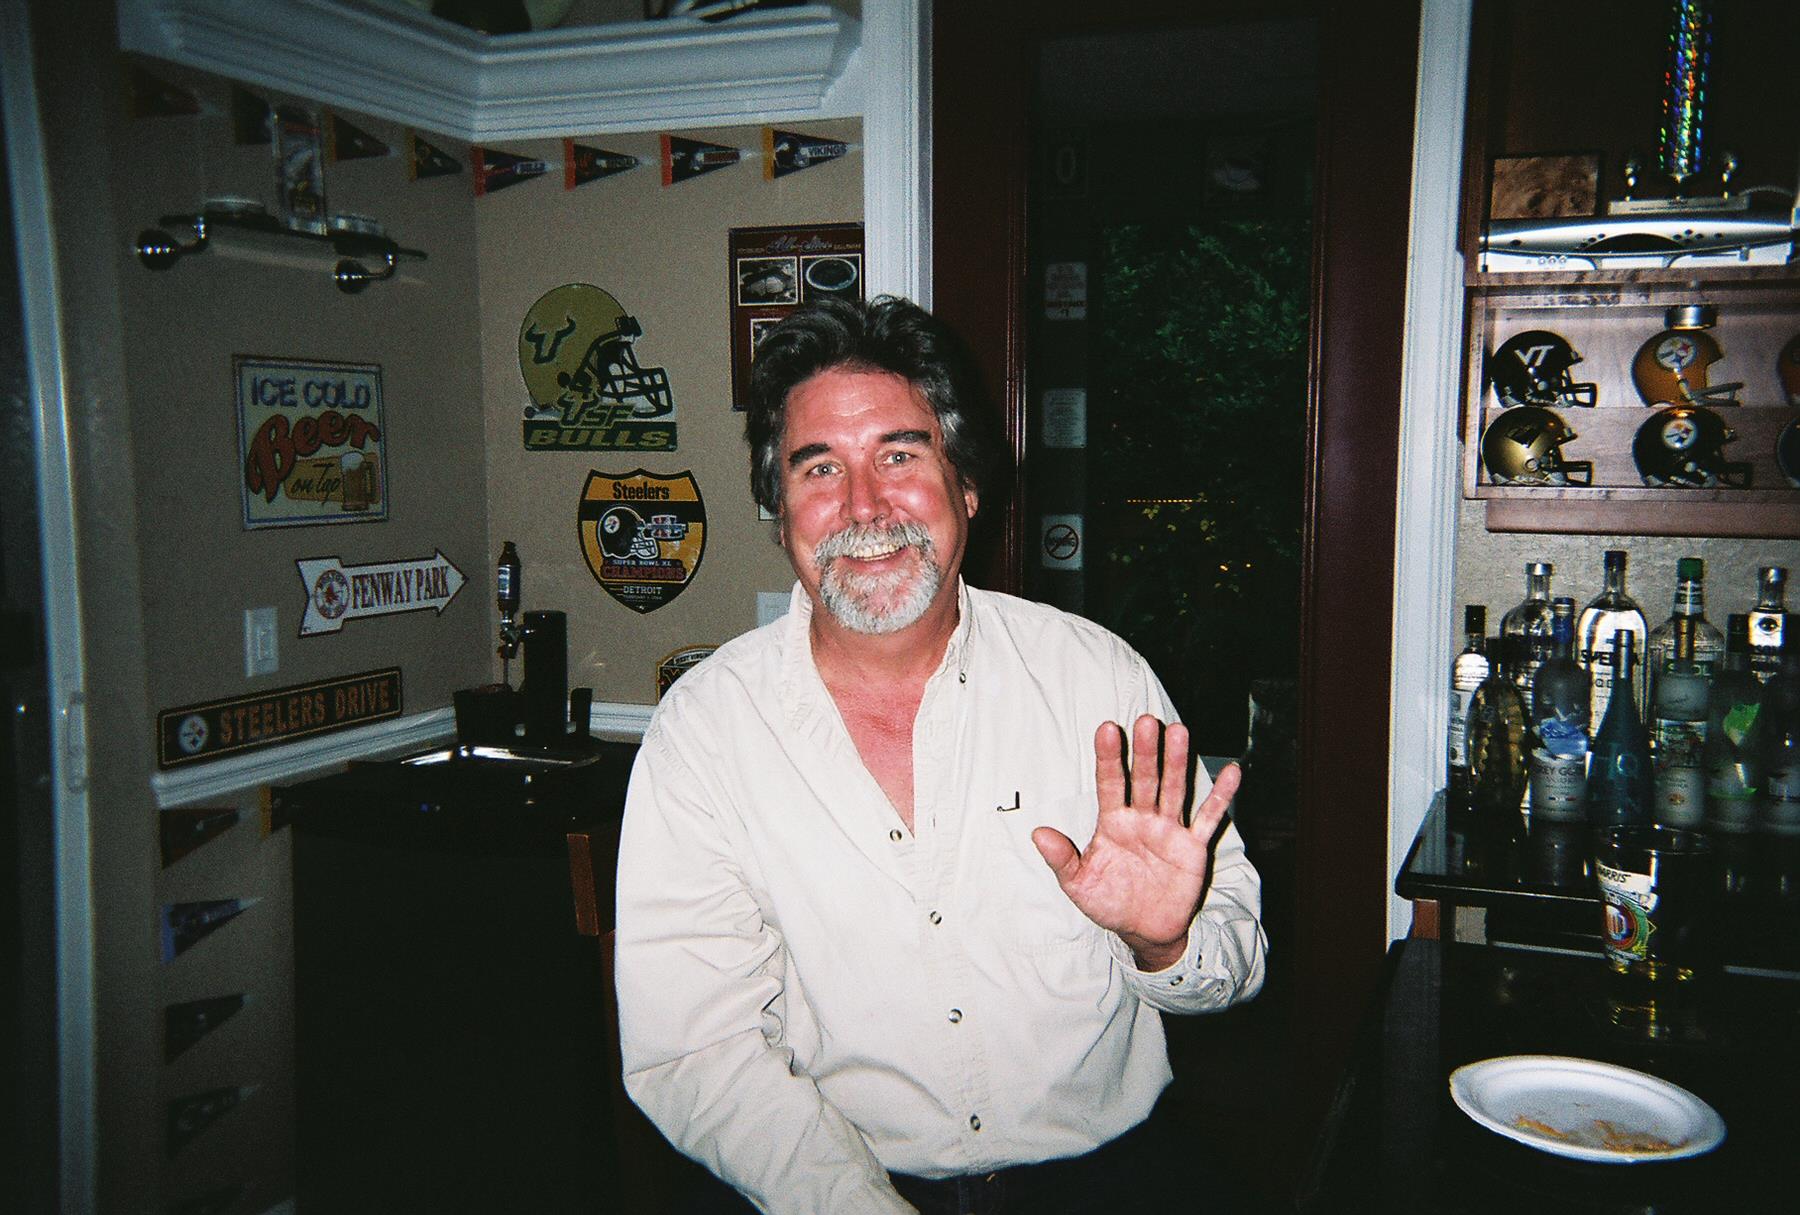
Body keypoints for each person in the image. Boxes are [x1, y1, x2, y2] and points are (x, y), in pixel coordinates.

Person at [614, 295, 1267, 1214]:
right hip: (832, 1183)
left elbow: (1236, 961)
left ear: (966, 488)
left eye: (900, 455)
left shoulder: (1097, 679)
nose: (863, 505)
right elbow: (697, 1050)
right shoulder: (705, 732)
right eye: (819, 467)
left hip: (1107, 1175)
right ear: (780, 513)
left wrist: (1163, 943)